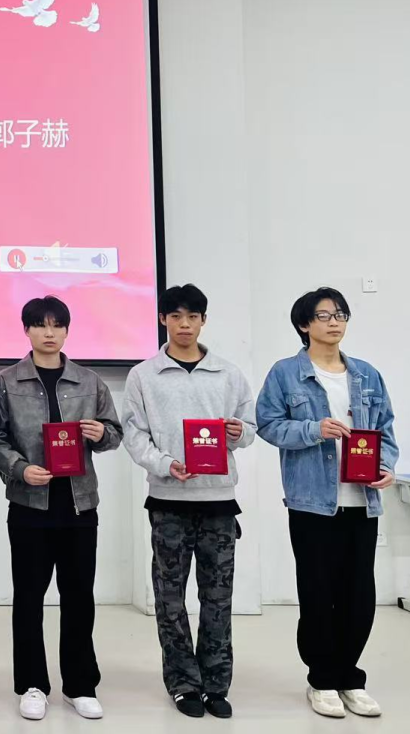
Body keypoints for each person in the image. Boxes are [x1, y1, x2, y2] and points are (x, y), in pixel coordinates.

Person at [255, 287, 398, 719]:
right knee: (318, 592)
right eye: (323, 315)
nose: (334, 322)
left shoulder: (367, 374)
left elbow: (385, 429)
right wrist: (313, 429)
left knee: (359, 594)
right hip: (312, 503)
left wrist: (386, 466)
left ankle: (350, 677)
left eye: (340, 315)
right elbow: (268, 425)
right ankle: (321, 679)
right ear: (304, 324)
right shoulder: (286, 373)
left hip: (362, 500)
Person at [121, 284, 255, 720]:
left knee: (218, 598)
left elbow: (250, 428)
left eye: (192, 316)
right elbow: (134, 435)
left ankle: (216, 684)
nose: (184, 324)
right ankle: (182, 683)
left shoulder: (228, 374)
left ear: (203, 321)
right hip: (169, 502)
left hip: (219, 502)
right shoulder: (144, 375)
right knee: (170, 599)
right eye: (176, 316)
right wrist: (164, 464)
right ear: (163, 319)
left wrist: (238, 432)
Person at [0, 295, 123, 721]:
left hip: (79, 505)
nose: (49, 333)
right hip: (30, 505)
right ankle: (32, 685)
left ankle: (80, 685)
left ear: (66, 330)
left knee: (79, 597)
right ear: (26, 330)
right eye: (40, 325)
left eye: (56, 325)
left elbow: (114, 433)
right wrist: (20, 468)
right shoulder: (7, 381)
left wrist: (101, 433)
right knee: (29, 598)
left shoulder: (89, 380)